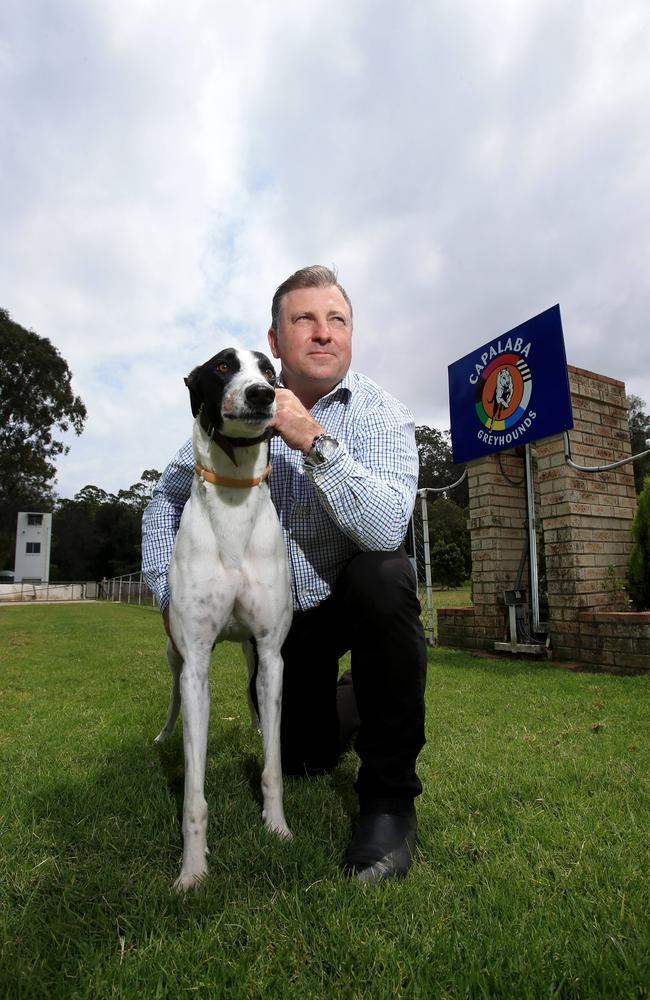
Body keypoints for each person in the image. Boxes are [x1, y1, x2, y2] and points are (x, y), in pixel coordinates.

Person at [142, 265, 427, 883]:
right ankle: (348, 698)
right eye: (304, 319)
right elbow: (165, 497)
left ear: (351, 334)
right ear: (276, 340)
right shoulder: (243, 401)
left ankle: (388, 803)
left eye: (337, 320)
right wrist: (165, 588)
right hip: (290, 630)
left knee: (387, 575)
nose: (323, 333)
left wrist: (310, 439)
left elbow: (386, 529)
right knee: (304, 757)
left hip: (349, 597)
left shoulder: (382, 414)